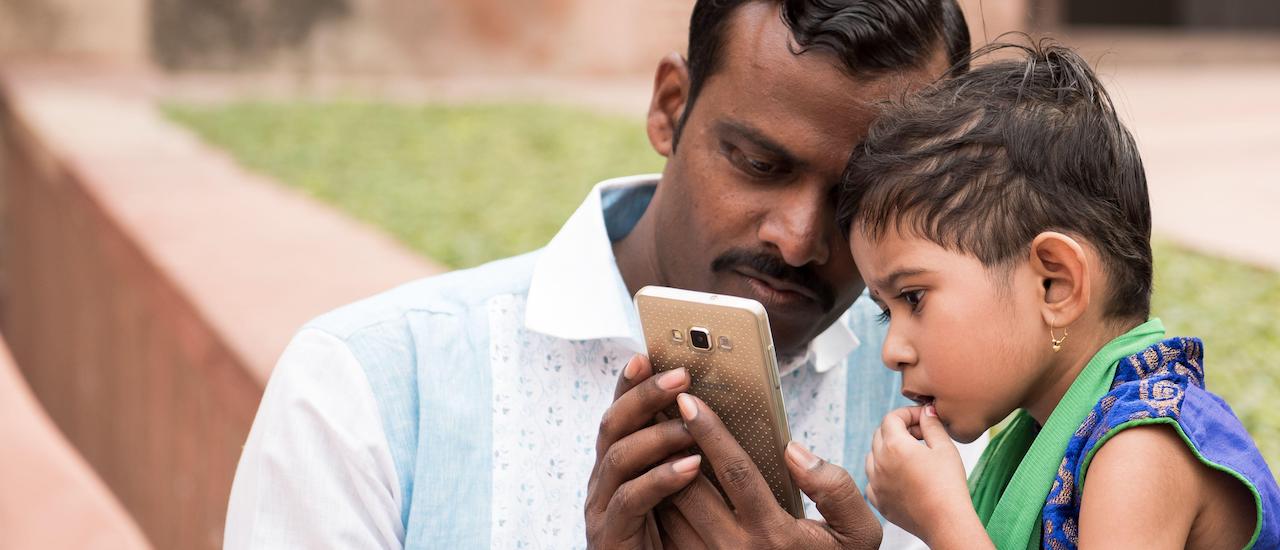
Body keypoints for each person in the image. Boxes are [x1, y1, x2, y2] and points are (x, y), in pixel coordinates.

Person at [223, 1, 979, 548]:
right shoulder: (370, 393)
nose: (797, 238)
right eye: (757, 163)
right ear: (669, 107)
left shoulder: (949, 421)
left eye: (858, 199)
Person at [838, 41, 1280, 549]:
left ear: (1055, 284)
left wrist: (943, 519)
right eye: (883, 313)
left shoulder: (1140, 446)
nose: (892, 351)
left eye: (913, 298)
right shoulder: (1039, 439)